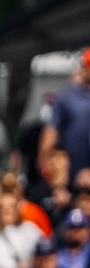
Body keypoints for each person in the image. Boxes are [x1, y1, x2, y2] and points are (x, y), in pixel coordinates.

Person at [40, 48, 90, 179]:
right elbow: (51, 130)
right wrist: (44, 159)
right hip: (73, 172)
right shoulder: (68, 97)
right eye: (86, 65)